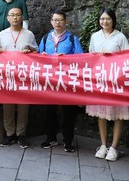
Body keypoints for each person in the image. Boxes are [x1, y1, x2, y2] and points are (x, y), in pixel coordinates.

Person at [85, 8, 129, 162]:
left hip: (116, 80)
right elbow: (91, 56)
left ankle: (114, 147)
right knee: (101, 112)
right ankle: (103, 145)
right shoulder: (95, 36)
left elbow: (128, 58)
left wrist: (113, 57)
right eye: (102, 19)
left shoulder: (120, 37)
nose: (104, 22)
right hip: (100, 79)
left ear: (113, 20)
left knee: (118, 113)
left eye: (108, 19)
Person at [38, 9, 84, 152]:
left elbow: (81, 58)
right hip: (49, 79)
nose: (57, 23)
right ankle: (50, 138)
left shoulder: (72, 39)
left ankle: (68, 141)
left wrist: (67, 59)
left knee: (68, 112)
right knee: (50, 111)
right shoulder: (46, 38)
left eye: (60, 20)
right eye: (55, 20)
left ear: (65, 22)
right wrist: (42, 55)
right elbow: (38, 56)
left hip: (67, 80)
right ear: (51, 22)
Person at [0, 7, 37, 148]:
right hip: (7, 74)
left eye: (18, 15)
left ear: (22, 17)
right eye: (12, 15)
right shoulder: (2, 34)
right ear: (8, 18)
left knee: (23, 106)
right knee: (8, 105)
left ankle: (21, 134)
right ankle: (9, 133)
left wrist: (30, 51)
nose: (15, 17)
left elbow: (36, 51)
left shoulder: (28, 34)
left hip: (24, 74)